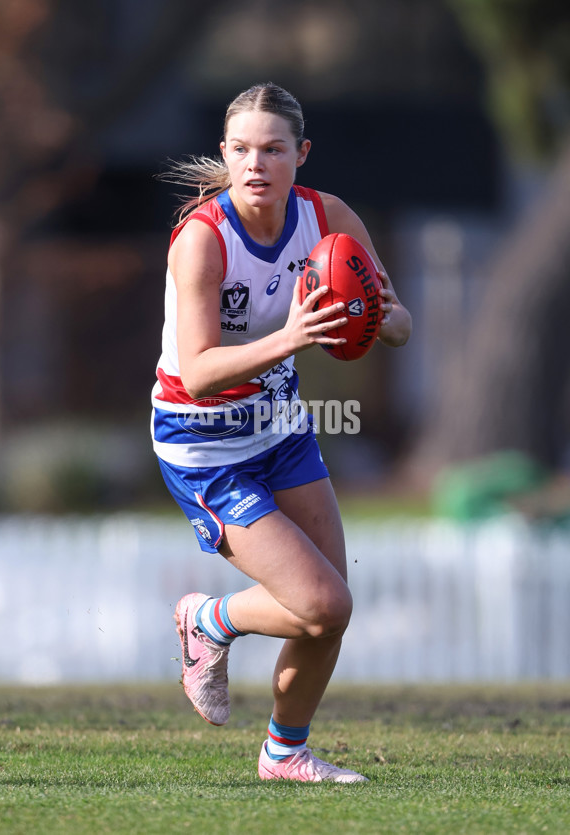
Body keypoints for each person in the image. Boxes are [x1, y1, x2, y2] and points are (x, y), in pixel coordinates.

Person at [151, 82, 411, 783]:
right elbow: (201, 371)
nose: (255, 163)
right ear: (225, 154)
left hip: (281, 426)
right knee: (323, 600)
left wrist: (379, 319)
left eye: (272, 149)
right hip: (202, 440)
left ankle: (284, 752)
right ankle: (209, 620)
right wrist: (294, 336)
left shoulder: (327, 218)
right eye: (240, 149)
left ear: (302, 153)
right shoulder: (203, 240)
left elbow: (400, 321)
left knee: (328, 615)